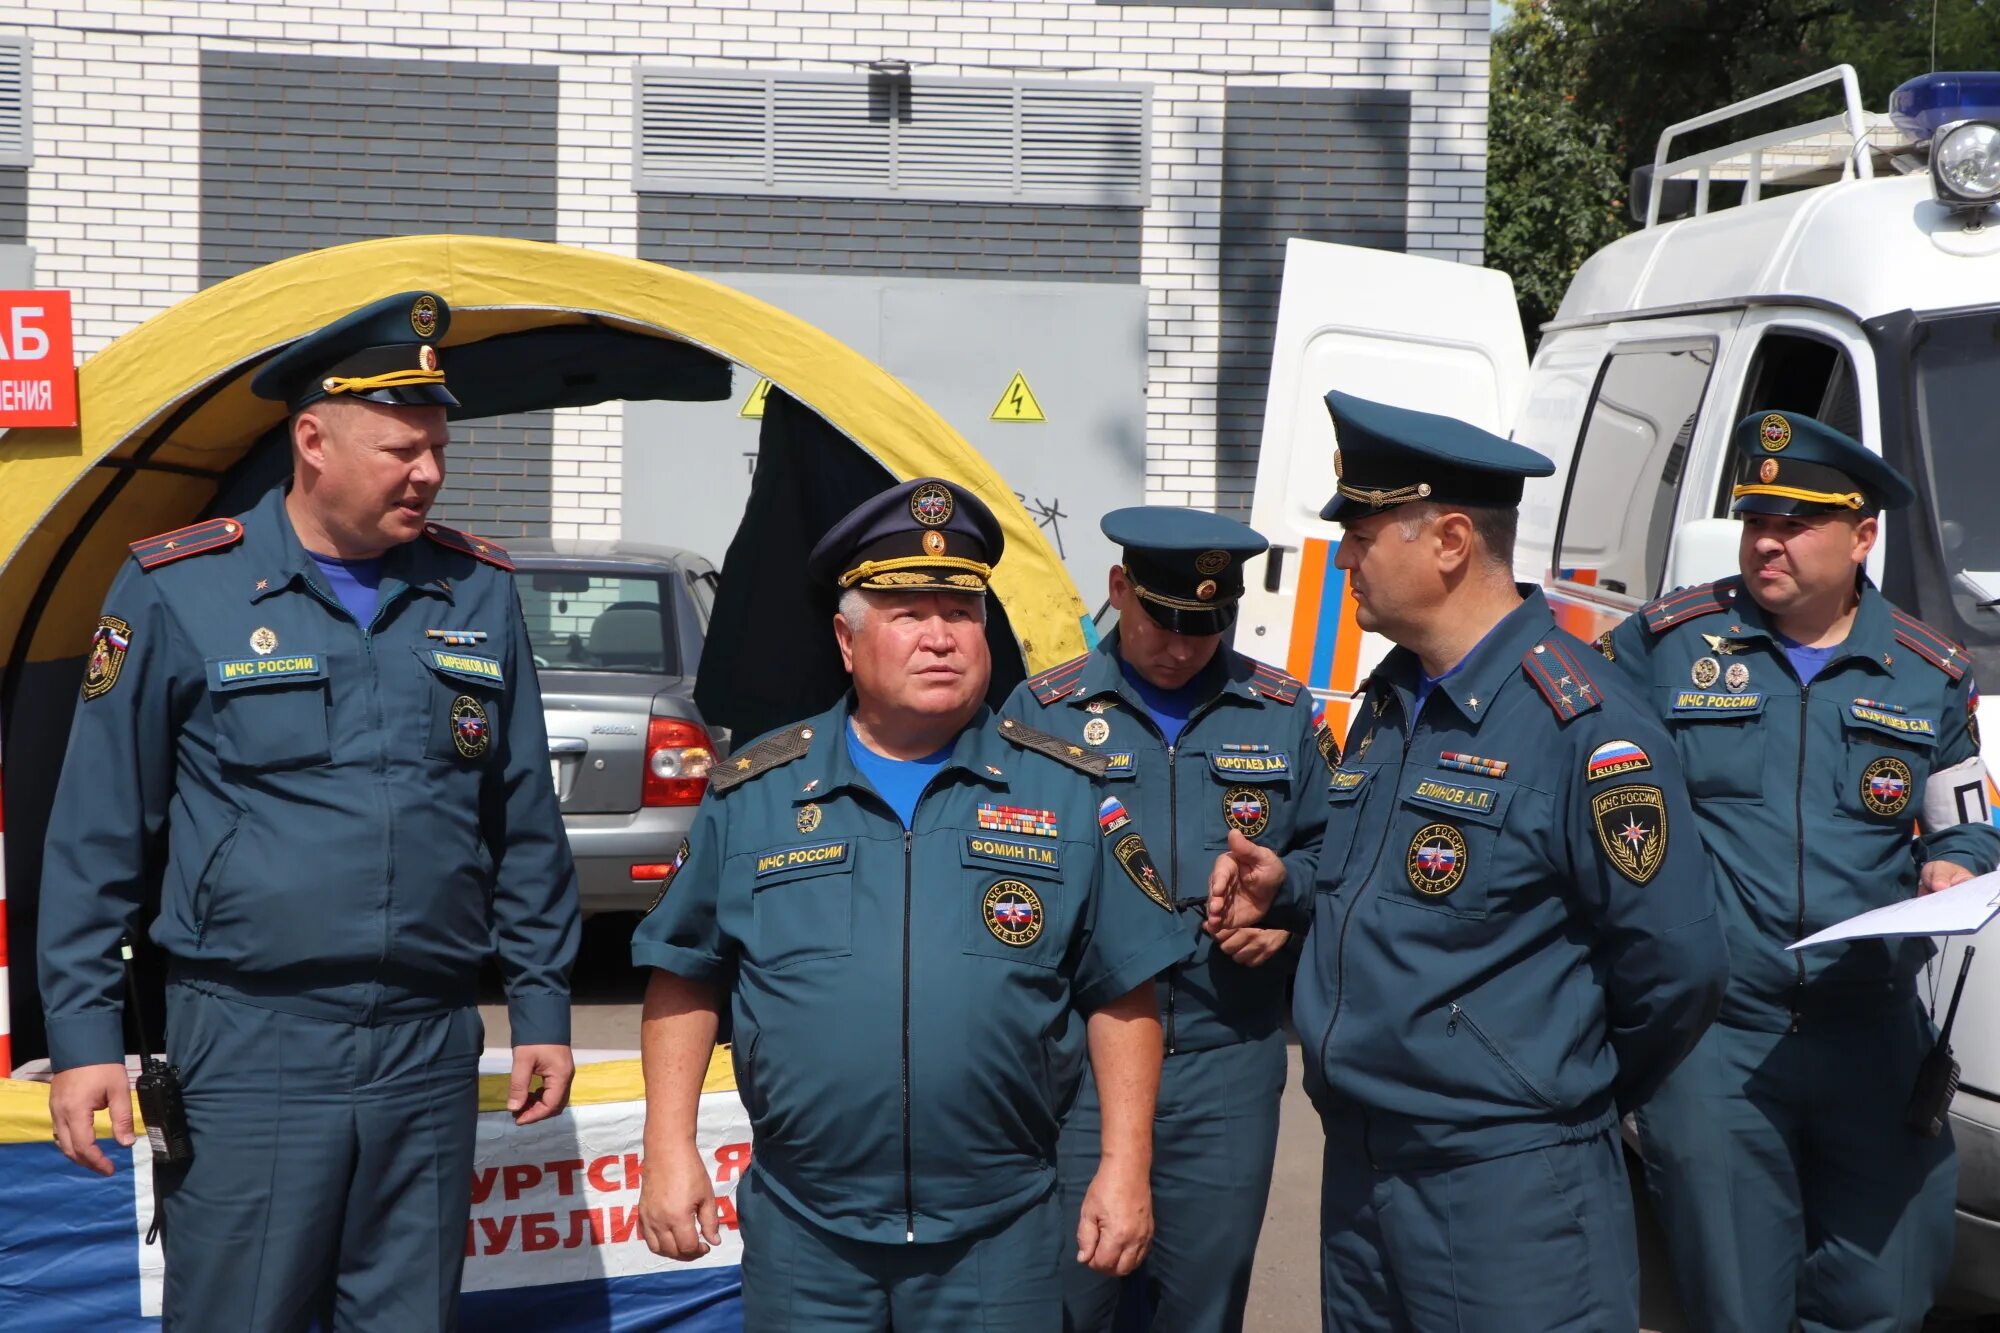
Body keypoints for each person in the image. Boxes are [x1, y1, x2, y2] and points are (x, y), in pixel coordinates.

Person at [38, 291, 581, 1331]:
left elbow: (518, 817)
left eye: (435, 446)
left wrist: (544, 1003)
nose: (426, 470)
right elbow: (98, 829)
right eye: (398, 448)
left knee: (406, 1316)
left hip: (425, 1043)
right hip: (251, 1041)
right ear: (312, 439)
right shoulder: (178, 588)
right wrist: (85, 1037)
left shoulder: (474, 591)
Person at [1206, 391, 1728, 1332]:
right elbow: (1392, 888)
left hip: (1509, 1194)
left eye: (1361, 533)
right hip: (1366, 1170)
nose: (1344, 558)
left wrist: (1544, 1084)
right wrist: (1293, 887)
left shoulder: (1585, 724)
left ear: (1449, 540)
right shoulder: (1393, 703)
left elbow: (1676, 968)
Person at [630, 477, 1192, 1331]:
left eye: (960, 611)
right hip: (806, 1231)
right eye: (906, 611)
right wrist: (666, 1148)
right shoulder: (756, 794)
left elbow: (1123, 990)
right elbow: (684, 974)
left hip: (998, 1233)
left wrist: (1124, 1164)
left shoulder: (1068, 792)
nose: (940, 637)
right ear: (846, 641)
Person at [1600, 410, 2000, 1332]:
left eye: (1796, 522)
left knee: (1886, 1292)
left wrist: (1952, 863)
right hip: (1718, 1041)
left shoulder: (1924, 671)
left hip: (1872, 1037)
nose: (1766, 541)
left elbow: (1970, 824)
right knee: (1735, 1303)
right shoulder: (1665, 647)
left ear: (1863, 536)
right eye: (1755, 520)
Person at [1002, 505, 1329, 1333]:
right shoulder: (1045, 712)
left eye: (1208, 626)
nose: (1185, 647)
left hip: (1225, 1062)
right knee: (1069, 1301)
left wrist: (1285, 905)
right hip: (1078, 1069)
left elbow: (1340, 857)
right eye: (1166, 622)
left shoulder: (1281, 709)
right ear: (1120, 590)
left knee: (1203, 1305)